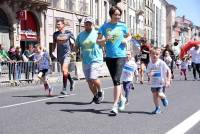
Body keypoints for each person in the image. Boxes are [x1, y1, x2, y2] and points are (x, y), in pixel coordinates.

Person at [97, 6, 132, 115]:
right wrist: (104, 39)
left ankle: (115, 105)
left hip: (120, 56)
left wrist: (126, 40)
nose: (117, 17)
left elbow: (129, 35)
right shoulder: (104, 27)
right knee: (115, 81)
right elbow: (98, 41)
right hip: (109, 57)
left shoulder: (123, 26)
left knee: (117, 80)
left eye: (119, 15)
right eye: (115, 14)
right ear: (111, 15)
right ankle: (123, 98)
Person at [75, 17, 104, 104]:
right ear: (84, 24)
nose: (88, 25)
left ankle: (100, 91)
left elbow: (104, 44)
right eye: (86, 23)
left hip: (96, 59)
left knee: (93, 77)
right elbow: (77, 46)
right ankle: (95, 96)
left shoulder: (98, 33)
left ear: (93, 24)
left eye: (90, 23)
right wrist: (75, 49)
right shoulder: (80, 35)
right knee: (89, 81)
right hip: (85, 60)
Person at [53, 18, 75, 95]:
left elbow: (74, 42)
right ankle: (71, 81)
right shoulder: (55, 34)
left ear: (63, 25)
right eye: (57, 24)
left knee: (64, 69)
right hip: (60, 54)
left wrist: (73, 50)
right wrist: (52, 52)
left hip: (67, 54)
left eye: (59, 24)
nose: (57, 25)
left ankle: (64, 89)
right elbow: (54, 43)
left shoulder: (68, 33)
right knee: (64, 71)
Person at [146, 47, 171, 114]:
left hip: (161, 82)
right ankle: (157, 108)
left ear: (159, 55)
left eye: (157, 54)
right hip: (153, 83)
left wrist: (168, 80)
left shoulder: (161, 62)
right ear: (150, 55)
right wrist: (149, 75)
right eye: (153, 54)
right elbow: (148, 72)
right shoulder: (150, 64)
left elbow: (169, 70)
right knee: (155, 96)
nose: (155, 55)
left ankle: (163, 98)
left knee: (159, 94)